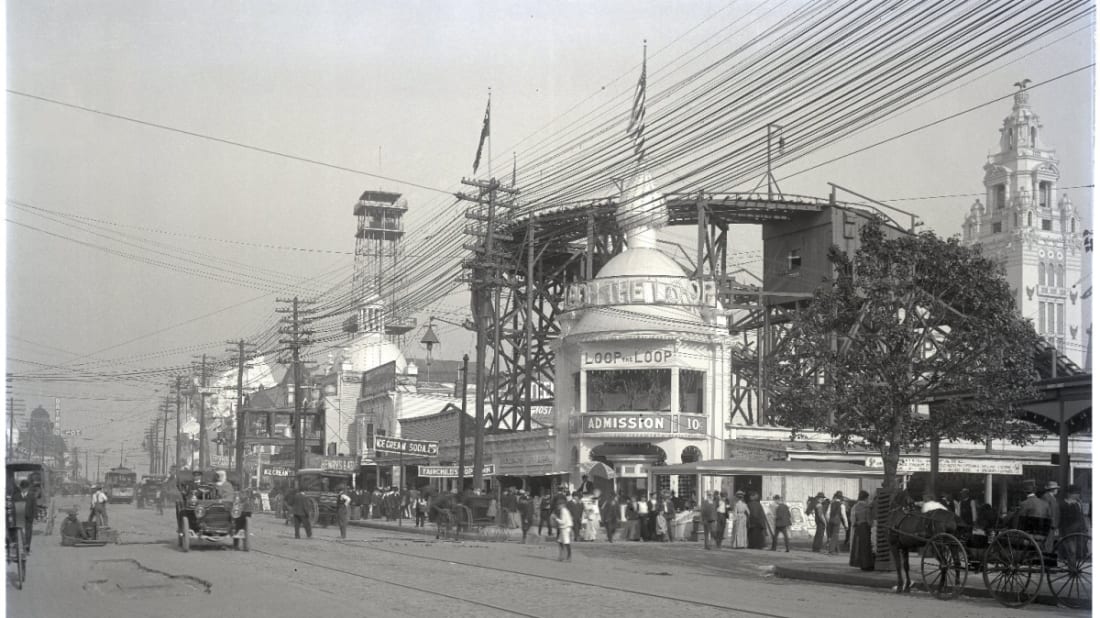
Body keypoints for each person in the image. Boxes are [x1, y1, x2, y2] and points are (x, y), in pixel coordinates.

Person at [849, 490, 874, 570]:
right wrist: (872, 525)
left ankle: (860, 564)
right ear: (866, 498)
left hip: (858, 528)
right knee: (866, 546)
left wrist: (855, 524)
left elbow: (852, 519)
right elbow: (869, 520)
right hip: (865, 527)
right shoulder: (866, 507)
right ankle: (866, 565)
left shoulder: (855, 506)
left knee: (858, 546)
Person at [14, 480, 37, 553]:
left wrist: (35, 517)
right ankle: (21, 547)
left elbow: (34, 507)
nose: (24, 490)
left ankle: (27, 548)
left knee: (28, 533)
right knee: (20, 533)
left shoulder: (31, 496)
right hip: (19, 516)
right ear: (20, 488)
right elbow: (14, 507)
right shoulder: (16, 496)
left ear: (28, 488)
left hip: (29, 517)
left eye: (25, 488)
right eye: (22, 488)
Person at [551, 496, 573, 561]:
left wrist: (555, 518)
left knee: (566, 542)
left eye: (559, 505)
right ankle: (562, 555)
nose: (558, 506)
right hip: (564, 528)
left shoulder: (564, 511)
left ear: (562, 505)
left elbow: (563, 522)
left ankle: (568, 556)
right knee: (560, 541)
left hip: (565, 528)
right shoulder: (564, 510)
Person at [1041, 480, 1061, 552]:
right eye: (1056, 489)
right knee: (1047, 544)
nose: (1057, 490)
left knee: (1050, 544)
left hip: (1053, 525)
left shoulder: (1053, 497)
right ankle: (1045, 561)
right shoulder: (1046, 497)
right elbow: (1046, 511)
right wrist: (1052, 523)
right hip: (1049, 525)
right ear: (1052, 489)